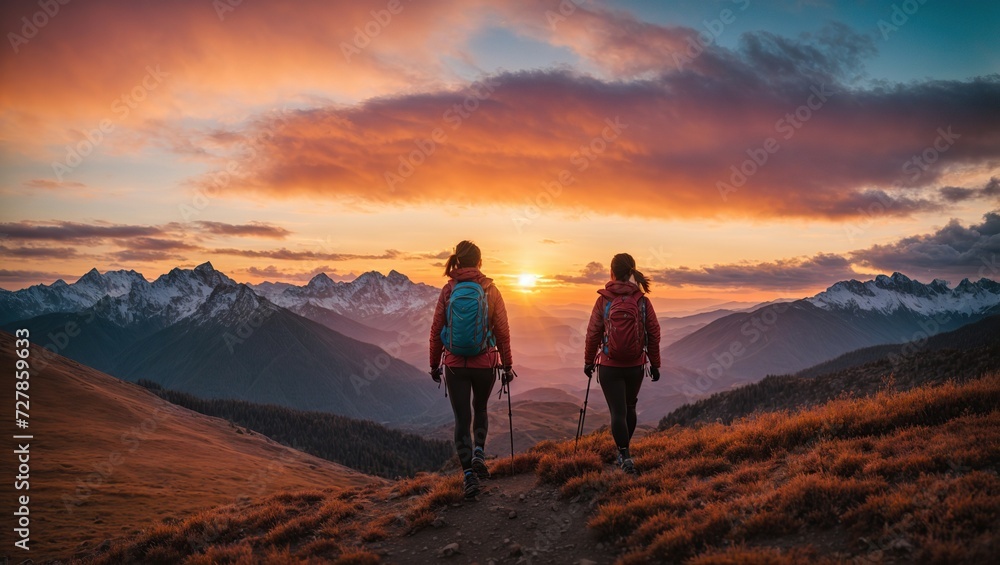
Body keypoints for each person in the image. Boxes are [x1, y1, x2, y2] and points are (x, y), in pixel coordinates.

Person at [429, 240, 514, 498]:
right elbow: (502, 331)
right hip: (485, 363)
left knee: (461, 419)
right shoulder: (490, 289)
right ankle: (479, 453)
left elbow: (435, 332)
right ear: (479, 262)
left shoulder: (448, 290)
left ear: (457, 261)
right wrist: (507, 364)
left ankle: (468, 476)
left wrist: (434, 365)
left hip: (455, 365)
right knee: (481, 408)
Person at [583, 253, 661, 475]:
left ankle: (624, 455)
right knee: (630, 407)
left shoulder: (603, 301)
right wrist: (655, 363)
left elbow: (592, 333)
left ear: (612, 272)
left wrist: (589, 361)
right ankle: (626, 453)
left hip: (609, 365)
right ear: (632, 272)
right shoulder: (642, 301)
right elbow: (654, 333)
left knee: (617, 412)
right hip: (636, 365)